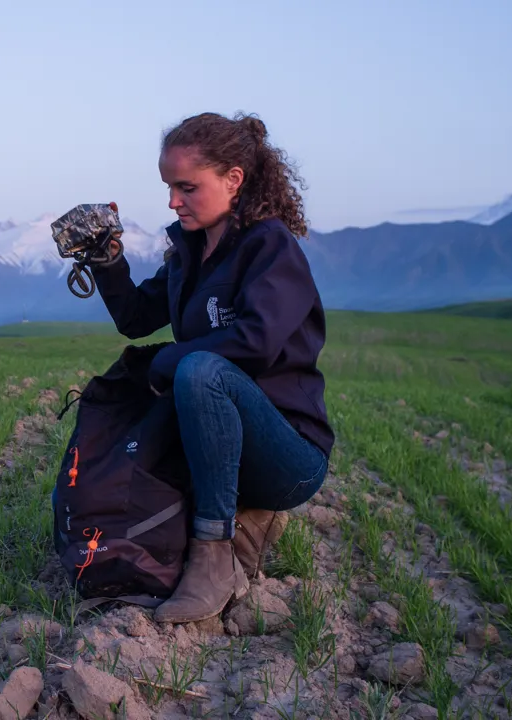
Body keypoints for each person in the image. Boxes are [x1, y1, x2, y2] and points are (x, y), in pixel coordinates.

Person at [89, 111, 334, 624]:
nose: (173, 201)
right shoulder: (188, 252)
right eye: (169, 188)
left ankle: (215, 559)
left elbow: (256, 342)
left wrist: (169, 365)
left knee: (197, 369)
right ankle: (246, 522)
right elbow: (136, 318)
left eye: (186, 187)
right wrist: (106, 262)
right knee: (161, 380)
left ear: (233, 179)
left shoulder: (271, 248)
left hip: (288, 455)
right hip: (222, 444)